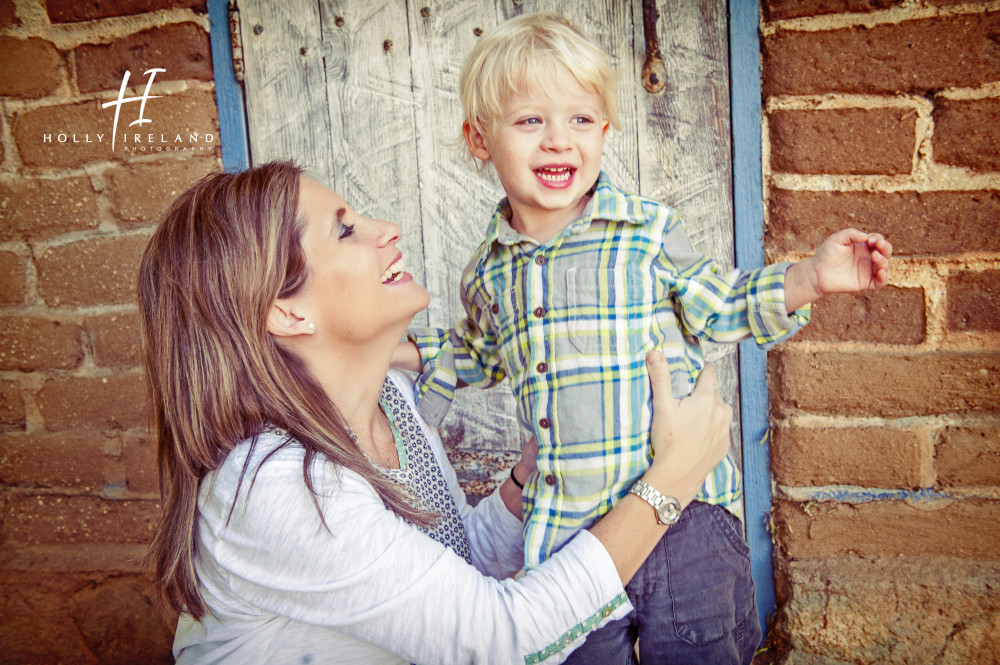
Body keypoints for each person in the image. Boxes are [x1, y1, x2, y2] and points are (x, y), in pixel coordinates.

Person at [394, 13, 894, 665]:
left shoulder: (645, 233)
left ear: (604, 131)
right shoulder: (489, 270)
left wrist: (808, 277)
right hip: (571, 533)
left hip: (686, 517)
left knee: (704, 650)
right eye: (529, 121)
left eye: (579, 119)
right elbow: (474, 352)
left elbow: (722, 306)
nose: (557, 141)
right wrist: (402, 353)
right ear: (479, 139)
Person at [138, 160, 735, 665]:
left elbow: (449, 564)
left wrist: (526, 484)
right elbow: (502, 641)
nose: (386, 230)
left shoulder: (391, 403)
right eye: (345, 231)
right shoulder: (278, 487)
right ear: (287, 312)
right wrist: (672, 481)